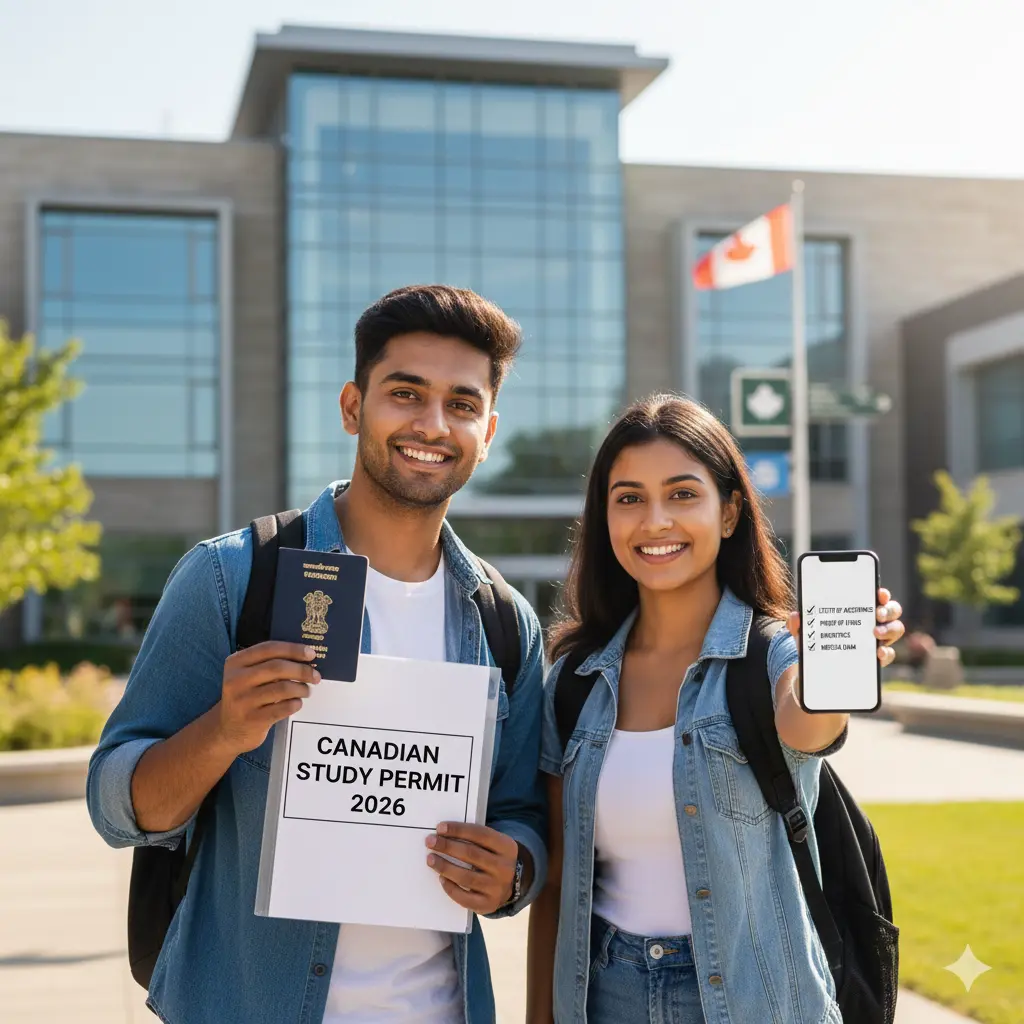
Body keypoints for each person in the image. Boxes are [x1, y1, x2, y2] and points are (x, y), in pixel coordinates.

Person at [87, 285, 548, 1024]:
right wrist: (225, 731)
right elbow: (115, 803)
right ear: (352, 407)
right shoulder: (231, 576)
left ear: (487, 430)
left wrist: (514, 870)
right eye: (406, 393)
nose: (433, 424)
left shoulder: (503, 622)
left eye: (461, 405)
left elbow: (522, 812)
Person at [526, 394, 904, 1024]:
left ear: (728, 512)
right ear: (605, 517)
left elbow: (806, 728)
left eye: (681, 494)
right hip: (605, 997)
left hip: (758, 1000)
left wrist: (832, 666)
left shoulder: (774, 655)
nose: (655, 521)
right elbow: (560, 884)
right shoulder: (575, 680)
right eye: (629, 498)